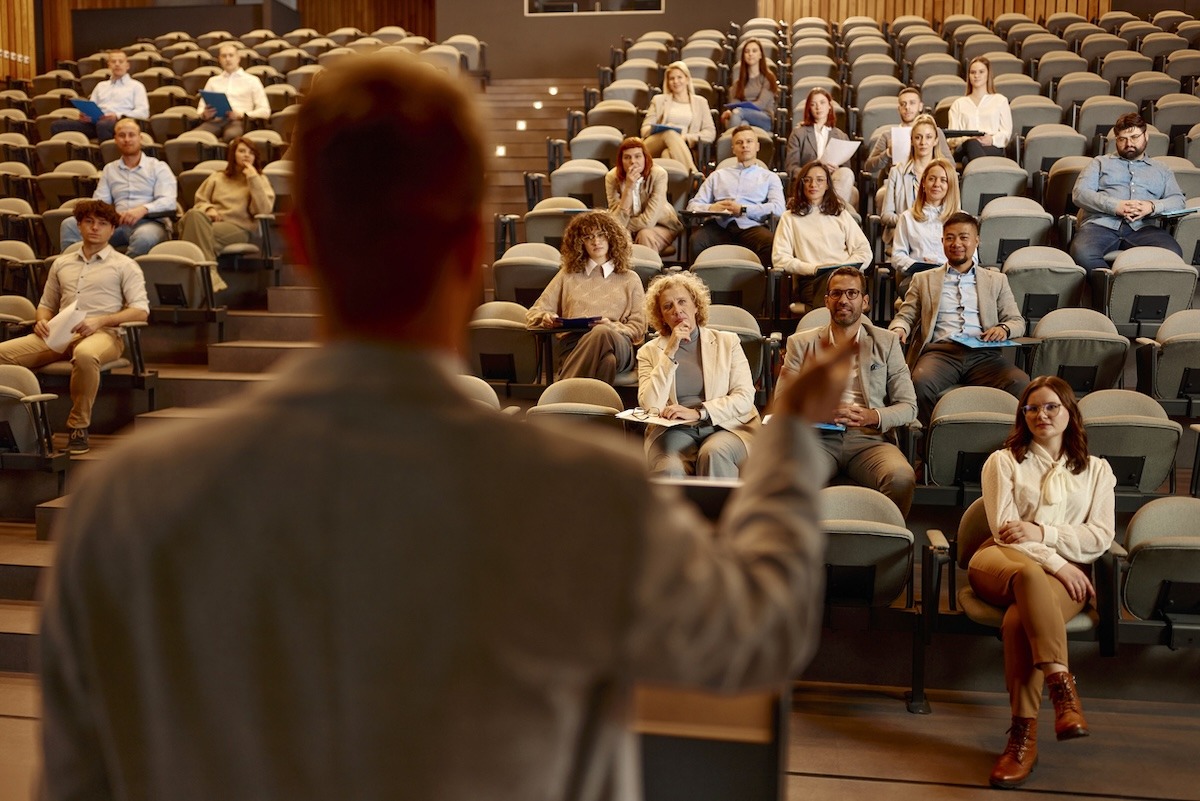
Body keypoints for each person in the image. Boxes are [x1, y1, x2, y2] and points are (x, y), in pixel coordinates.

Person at [39, 53, 856, 801]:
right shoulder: (584, 495)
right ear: (473, 250)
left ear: (300, 239)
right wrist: (787, 438)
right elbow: (762, 633)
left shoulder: (125, 501)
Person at [973, 375, 1116, 789]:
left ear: (1070, 413)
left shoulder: (1097, 471)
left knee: (1019, 622)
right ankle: (1063, 689)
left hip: (1059, 571)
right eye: (1032, 408)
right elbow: (1005, 532)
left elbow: (1101, 536)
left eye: (1052, 406)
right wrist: (1058, 561)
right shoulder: (1004, 461)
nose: (1041, 415)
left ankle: (1023, 738)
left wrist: (1044, 534)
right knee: (1030, 572)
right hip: (1001, 562)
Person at [0, 200, 148, 454]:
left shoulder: (125, 265)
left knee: (85, 354)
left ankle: (78, 426)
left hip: (104, 334)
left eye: (102, 224)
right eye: (89, 221)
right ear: (78, 225)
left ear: (112, 230)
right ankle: (23, 423)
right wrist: (42, 319)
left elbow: (141, 311)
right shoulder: (62, 263)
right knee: (2, 353)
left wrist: (100, 320)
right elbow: (46, 303)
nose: (95, 228)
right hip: (59, 332)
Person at [779, 266, 918, 515]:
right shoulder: (800, 344)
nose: (844, 300)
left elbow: (909, 407)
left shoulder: (886, 343)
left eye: (852, 294)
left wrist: (871, 416)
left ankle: (887, 541)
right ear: (826, 301)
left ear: (864, 302)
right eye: (837, 294)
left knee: (901, 477)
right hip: (816, 439)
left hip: (869, 439)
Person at [888, 211, 1028, 426]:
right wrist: (899, 329)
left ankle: (1007, 444)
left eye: (964, 237)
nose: (957, 243)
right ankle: (927, 447)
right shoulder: (923, 279)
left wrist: (1004, 329)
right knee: (919, 384)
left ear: (976, 241)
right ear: (942, 241)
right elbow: (906, 315)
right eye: (950, 237)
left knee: (1021, 383)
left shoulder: (996, 280)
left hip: (984, 355)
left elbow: (1017, 321)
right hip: (941, 353)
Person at [637, 272, 759, 477]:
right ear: (661, 316)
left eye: (682, 301)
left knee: (713, 454)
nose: (677, 310)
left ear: (695, 305)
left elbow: (745, 397)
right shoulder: (648, 352)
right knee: (669, 468)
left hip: (727, 426)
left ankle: (721, 510)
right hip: (674, 430)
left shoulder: (728, 342)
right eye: (668, 306)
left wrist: (700, 413)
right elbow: (651, 406)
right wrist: (670, 352)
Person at [526, 210, 646, 382]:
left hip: (619, 343)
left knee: (602, 331)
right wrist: (545, 317)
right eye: (588, 237)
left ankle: (562, 393)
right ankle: (593, 405)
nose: (596, 242)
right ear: (579, 243)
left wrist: (613, 327)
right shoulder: (568, 275)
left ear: (612, 237)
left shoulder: (630, 278)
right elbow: (533, 313)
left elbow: (638, 327)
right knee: (607, 362)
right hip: (574, 345)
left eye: (601, 235)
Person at [1069, 112, 1185, 272]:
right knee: (1082, 254)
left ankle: (1129, 290)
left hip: (1144, 228)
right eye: (1122, 139)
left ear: (1146, 136)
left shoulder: (1161, 169)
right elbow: (1080, 193)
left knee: (1173, 254)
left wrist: (1151, 206)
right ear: (1116, 140)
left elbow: (1178, 200)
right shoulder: (1099, 163)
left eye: (1135, 137)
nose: (1129, 143)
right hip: (1101, 225)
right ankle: (1116, 291)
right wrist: (1116, 206)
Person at [58, 117, 176, 257]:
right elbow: (99, 203)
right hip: (116, 223)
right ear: (115, 139)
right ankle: (76, 270)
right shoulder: (110, 169)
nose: (127, 139)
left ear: (140, 138)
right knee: (69, 224)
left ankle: (121, 274)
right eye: (122, 135)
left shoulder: (158, 167)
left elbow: (169, 201)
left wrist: (142, 210)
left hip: (150, 222)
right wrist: (112, 215)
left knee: (144, 238)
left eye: (131, 135)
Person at [177, 136, 275, 292]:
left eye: (251, 152)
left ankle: (196, 280)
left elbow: (263, 210)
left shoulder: (260, 179)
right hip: (211, 223)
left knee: (192, 235)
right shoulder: (217, 177)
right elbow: (200, 201)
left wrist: (253, 179)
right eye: (241, 151)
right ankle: (208, 278)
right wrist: (209, 209)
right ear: (232, 154)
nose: (246, 155)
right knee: (194, 215)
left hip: (239, 228)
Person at [772, 160, 872, 309]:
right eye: (808, 180)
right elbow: (780, 259)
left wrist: (844, 268)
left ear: (827, 185)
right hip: (813, 279)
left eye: (820, 180)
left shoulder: (841, 214)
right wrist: (814, 268)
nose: (813, 185)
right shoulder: (790, 217)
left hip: (844, 277)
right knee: (838, 299)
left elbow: (864, 251)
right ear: (801, 184)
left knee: (847, 293)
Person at [686, 124, 785, 267]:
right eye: (739, 143)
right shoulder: (718, 175)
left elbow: (778, 208)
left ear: (757, 146)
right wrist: (712, 207)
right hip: (720, 225)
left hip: (751, 226)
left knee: (770, 243)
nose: (744, 145)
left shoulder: (769, 177)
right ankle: (697, 288)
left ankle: (760, 288)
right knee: (696, 241)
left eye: (749, 141)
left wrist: (744, 209)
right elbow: (692, 206)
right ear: (733, 149)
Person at [892, 157, 962, 298]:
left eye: (943, 180)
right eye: (932, 179)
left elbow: (972, 259)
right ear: (923, 183)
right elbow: (897, 256)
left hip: (953, 278)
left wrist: (939, 264)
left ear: (951, 185)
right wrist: (919, 264)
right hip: (918, 278)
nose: (937, 184)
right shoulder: (907, 217)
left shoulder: (961, 219)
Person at [604, 136, 683, 256]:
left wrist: (623, 227)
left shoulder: (658, 174)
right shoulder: (612, 177)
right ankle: (623, 273)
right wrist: (629, 188)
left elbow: (648, 222)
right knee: (619, 238)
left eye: (637, 156)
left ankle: (649, 273)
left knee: (644, 234)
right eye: (627, 157)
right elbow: (616, 220)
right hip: (625, 227)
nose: (633, 161)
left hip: (661, 225)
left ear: (645, 158)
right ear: (621, 160)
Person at [50, 50, 148, 143]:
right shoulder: (101, 86)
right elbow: (92, 106)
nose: (117, 64)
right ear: (109, 65)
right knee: (57, 125)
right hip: (96, 123)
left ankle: (104, 158)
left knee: (103, 125)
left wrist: (117, 115)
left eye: (121, 61)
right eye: (113, 61)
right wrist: (86, 115)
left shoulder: (136, 86)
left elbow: (143, 112)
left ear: (127, 65)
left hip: (121, 123)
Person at [784, 87, 856, 206]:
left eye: (822, 103)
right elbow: (791, 169)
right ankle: (832, 209)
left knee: (847, 175)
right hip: (809, 181)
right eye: (813, 104)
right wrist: (813, 167)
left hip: (832, 181)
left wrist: (836, 169)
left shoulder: (841, 135)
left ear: (829, 106)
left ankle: (831, 208)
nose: (818, 107)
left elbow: (846, 170)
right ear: (809, 108)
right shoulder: (798, 133)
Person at [639, 61, 716, 173]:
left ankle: (674, 189)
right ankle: (695, 176)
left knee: (667, 154)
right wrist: (662, 128)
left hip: (684, 148)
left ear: (687, 79)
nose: (675, 81)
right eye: (672, 78)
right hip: (654, 144)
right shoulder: (658, 100)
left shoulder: (701, 102)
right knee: (670, 133)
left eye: (679, 77)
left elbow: (710, 133)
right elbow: (644, 130)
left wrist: (685, 137)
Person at [863, 87, 952, 179]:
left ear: (920, 106)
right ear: (899, 109)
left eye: (912, 103)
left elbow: (951, 164)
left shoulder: (935, 132)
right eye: (903, 104)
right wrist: (888, 153)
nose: (907, 107)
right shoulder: (888, 135)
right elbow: (869, 167)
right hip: (896, 181)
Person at [879, 114, 940, 241]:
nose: (923, 142)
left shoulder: (945, 172)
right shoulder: (896, 172)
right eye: (918, 137)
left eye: (928, 137)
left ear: (935, 140)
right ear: (911, 140)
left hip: (935, 234)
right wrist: (910, 220)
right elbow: (886, 215)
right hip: (904, 234)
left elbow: (952, 212)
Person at [195, 43, 270, 141]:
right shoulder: (213, 81)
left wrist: (242, 114)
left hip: (239, 121)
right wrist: (204, 114)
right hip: (215, 120)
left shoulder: (252, 80)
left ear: (238, 58)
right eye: (224, 56)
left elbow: (265, 111)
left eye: (231, 55)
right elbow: (200, 109)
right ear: (219, 60)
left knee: (231, 136)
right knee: (195, 138)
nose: (227, 59)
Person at [948, 56, 1012, 163]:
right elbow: (951, 138)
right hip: (963, 147)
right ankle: (986, 175)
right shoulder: (958, 104)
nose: (976, 76)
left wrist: (992, 139)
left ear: (988, 74)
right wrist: (968, 139)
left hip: (992, 147)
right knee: (972, 144)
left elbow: (1006, 133)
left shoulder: (1000, 100)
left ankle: (978, 172)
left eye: (981, 72)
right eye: (973, 72)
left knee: (966, 160)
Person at [720, 39, 777, 132]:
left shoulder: (768, 78)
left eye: (754, 51)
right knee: (743, 125)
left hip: (764, 118)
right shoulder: (738, 83)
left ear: (760, 55)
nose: (750, 54)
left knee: (737, 113)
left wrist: (737, 111)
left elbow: (761, 105)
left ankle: (730, 143)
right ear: (743, 56)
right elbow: (735, 104)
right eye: (747, 51)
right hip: (742, 117)